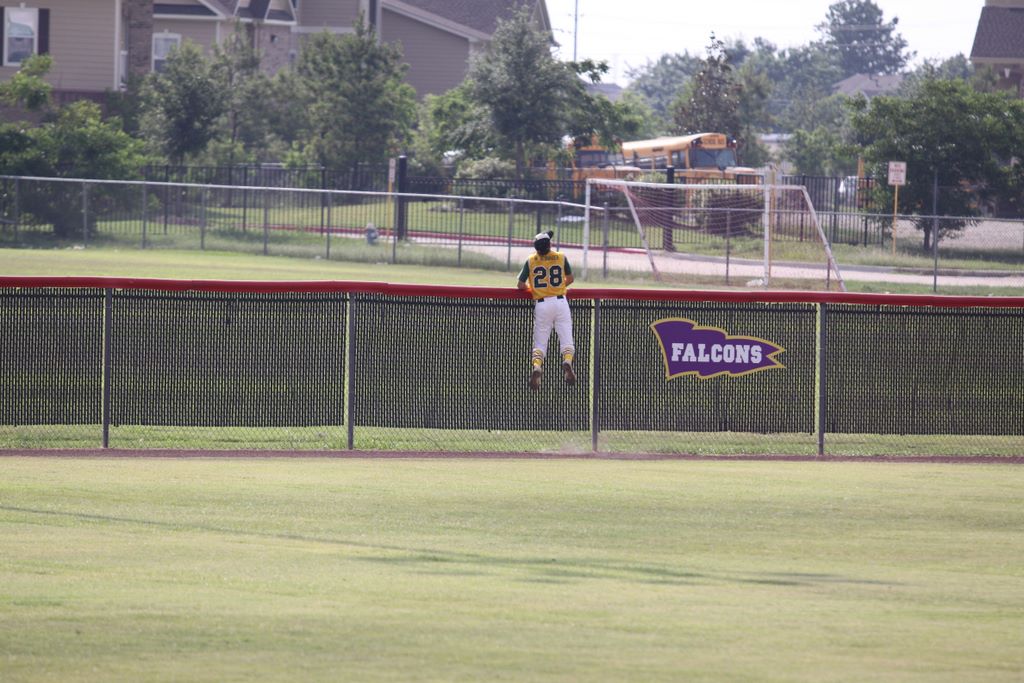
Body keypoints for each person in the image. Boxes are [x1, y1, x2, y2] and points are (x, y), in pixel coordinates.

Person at [517, 230, 576, 391]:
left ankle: (537, 366)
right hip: (560, 301)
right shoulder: (561, 257)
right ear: (550, 245)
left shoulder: (531, 260)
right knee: (567, 340)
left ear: (536, 248)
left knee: (540, 343)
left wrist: (535, 289)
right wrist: (558, 287)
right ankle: (567, 360)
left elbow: (520, 285)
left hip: (542, 304)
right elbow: (570, 279)